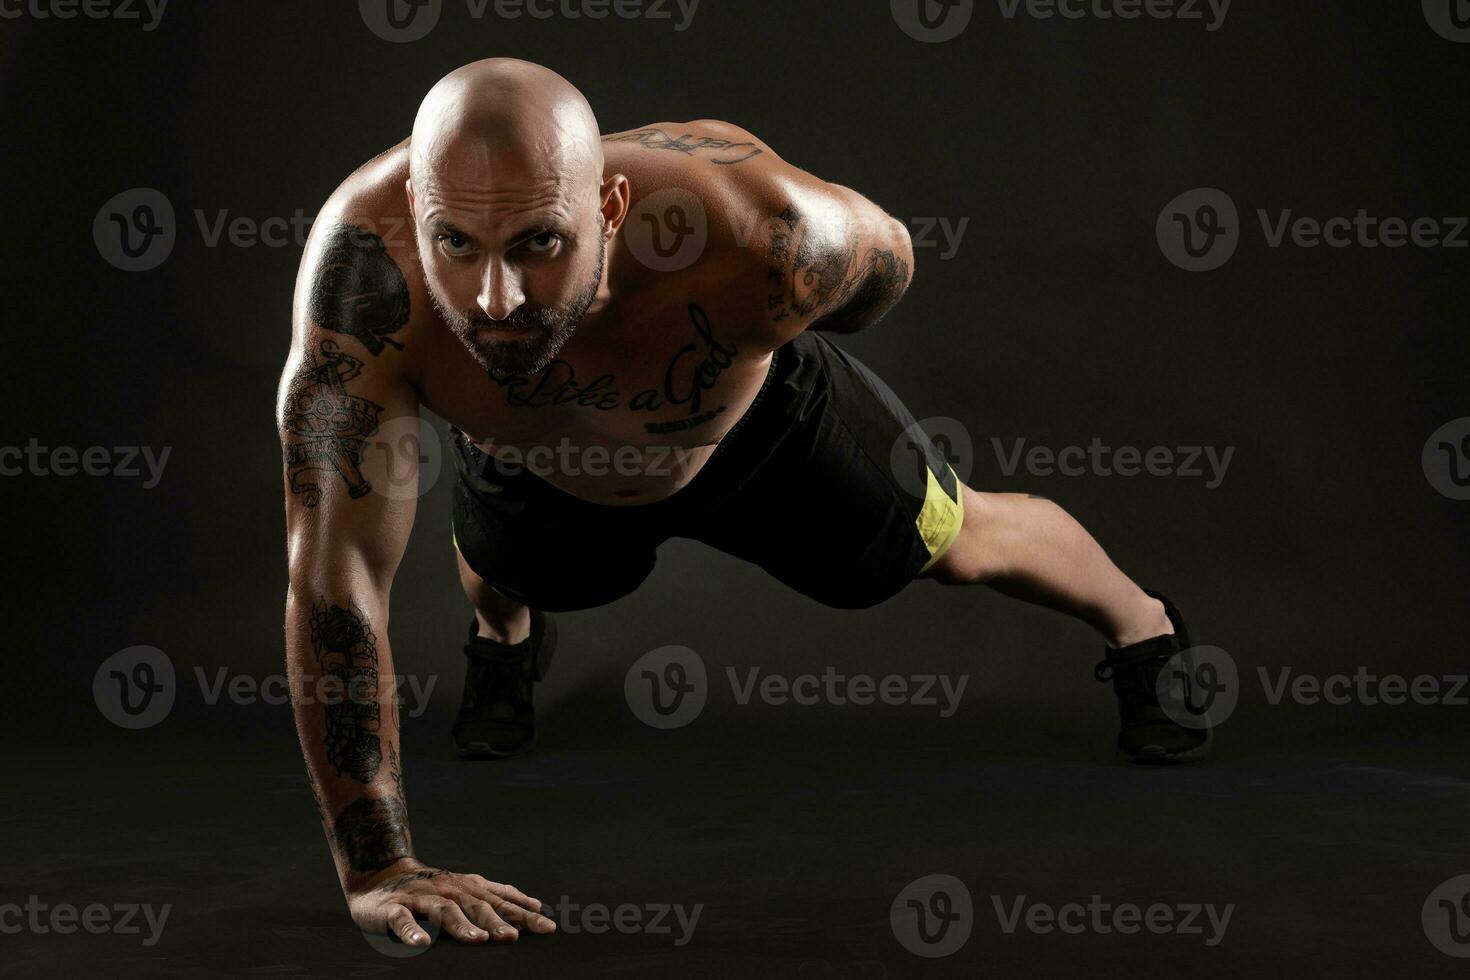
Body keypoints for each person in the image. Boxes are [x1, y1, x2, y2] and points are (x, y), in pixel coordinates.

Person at [276, 57, 1211, 949]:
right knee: (498, 570)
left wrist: (759, 319)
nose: (495, 299)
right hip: (537, 467)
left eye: (540, 244)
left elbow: (887, 264)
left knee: (958, 537)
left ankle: (1144, 625)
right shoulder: (364, 281)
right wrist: (380, 870)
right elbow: (339, 570)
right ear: (415, 214)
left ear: (609, 206)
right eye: (458, 245)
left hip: (761, 437)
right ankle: (506, 646)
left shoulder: (755, 234)